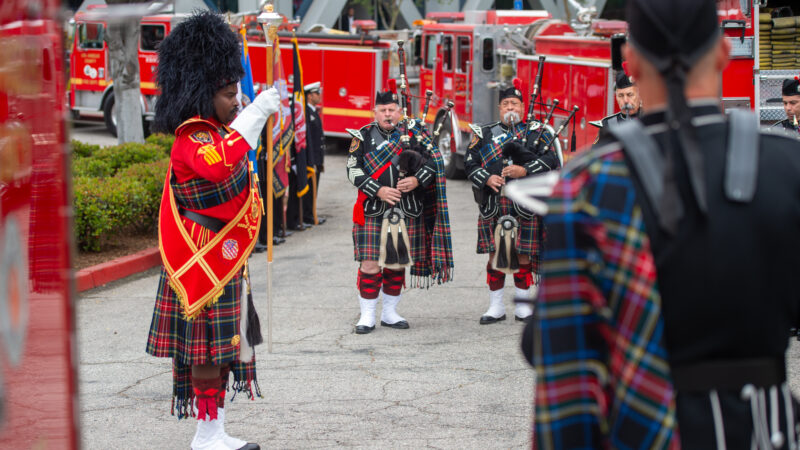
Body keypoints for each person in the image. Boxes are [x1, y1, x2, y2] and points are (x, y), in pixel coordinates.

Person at [519, 0, 800, 447]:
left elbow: (547, 346)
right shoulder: (790, 166)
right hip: (765, 429)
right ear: (725, 52)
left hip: (639, 427)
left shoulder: (590, 184)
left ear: (629, 63)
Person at [145, 11, 280, 450]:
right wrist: (258, 111)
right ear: (203, 93)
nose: (236, 101)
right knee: (205, 351)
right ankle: (205, 435)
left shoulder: (217, 131)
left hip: (224, 254)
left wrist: (254, 119)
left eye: (238, 95)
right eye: (228, 94)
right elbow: (219, 164)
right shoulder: (193, 138)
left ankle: (215, 430)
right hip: (202, 255)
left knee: (226, 349)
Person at [346, 87, 454, 334]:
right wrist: (378, 190)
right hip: (373, 208)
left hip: (407, 208)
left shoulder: (415, 132)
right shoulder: (362, 136)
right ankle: (367, 315)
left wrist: (417, 180)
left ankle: (390, 313)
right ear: (374, 112)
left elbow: (435, 162)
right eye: (382, 110)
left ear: (399, 111)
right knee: (370, 263)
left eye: (392, 110)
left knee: (396, 262)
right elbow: (352, 169)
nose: (387, 115)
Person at [464, 85, 559, 325]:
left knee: (523, 254)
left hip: (524, 203)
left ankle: (523, 307)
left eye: (514, 104)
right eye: (506, 104)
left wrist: (524, 169)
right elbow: (469, 163)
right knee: (495, 254)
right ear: (499, 108)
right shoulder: (483, 132)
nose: (510, 108)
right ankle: (495, 307)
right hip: (494, 202)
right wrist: (486, 178)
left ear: (523, 107)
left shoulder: (538, 131)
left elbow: (551, 160)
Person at [589, 68, 642, 143]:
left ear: (639, 95)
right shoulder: (608, 123)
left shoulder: (649, 120)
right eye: (620, 95)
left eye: (630, 95)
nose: (625, 100)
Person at [302, 81, 326, 226]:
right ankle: (307, 215)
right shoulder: (306, 112)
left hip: (317, 158)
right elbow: (309, 139)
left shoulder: (313, 111)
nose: (319, 96)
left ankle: (312, 213)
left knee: (314, 189)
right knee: (309, 189)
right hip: (311, 158)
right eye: (317, 94)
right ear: (310, 96)